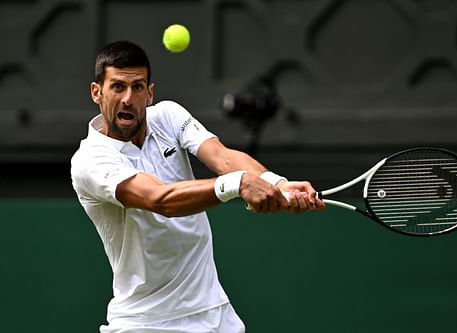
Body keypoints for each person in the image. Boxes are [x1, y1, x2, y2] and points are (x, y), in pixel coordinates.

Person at [70, 40, 325, 333]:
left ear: (149, 94)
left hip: (214, 315)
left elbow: (224, 158)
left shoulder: (168, 116)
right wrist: (238, 184)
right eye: (117, 87)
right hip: (146, 324)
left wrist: (276, 184)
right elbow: (159, 199)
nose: (128, 98)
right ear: (96, 92)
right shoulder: (90, 160)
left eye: (138, 87)